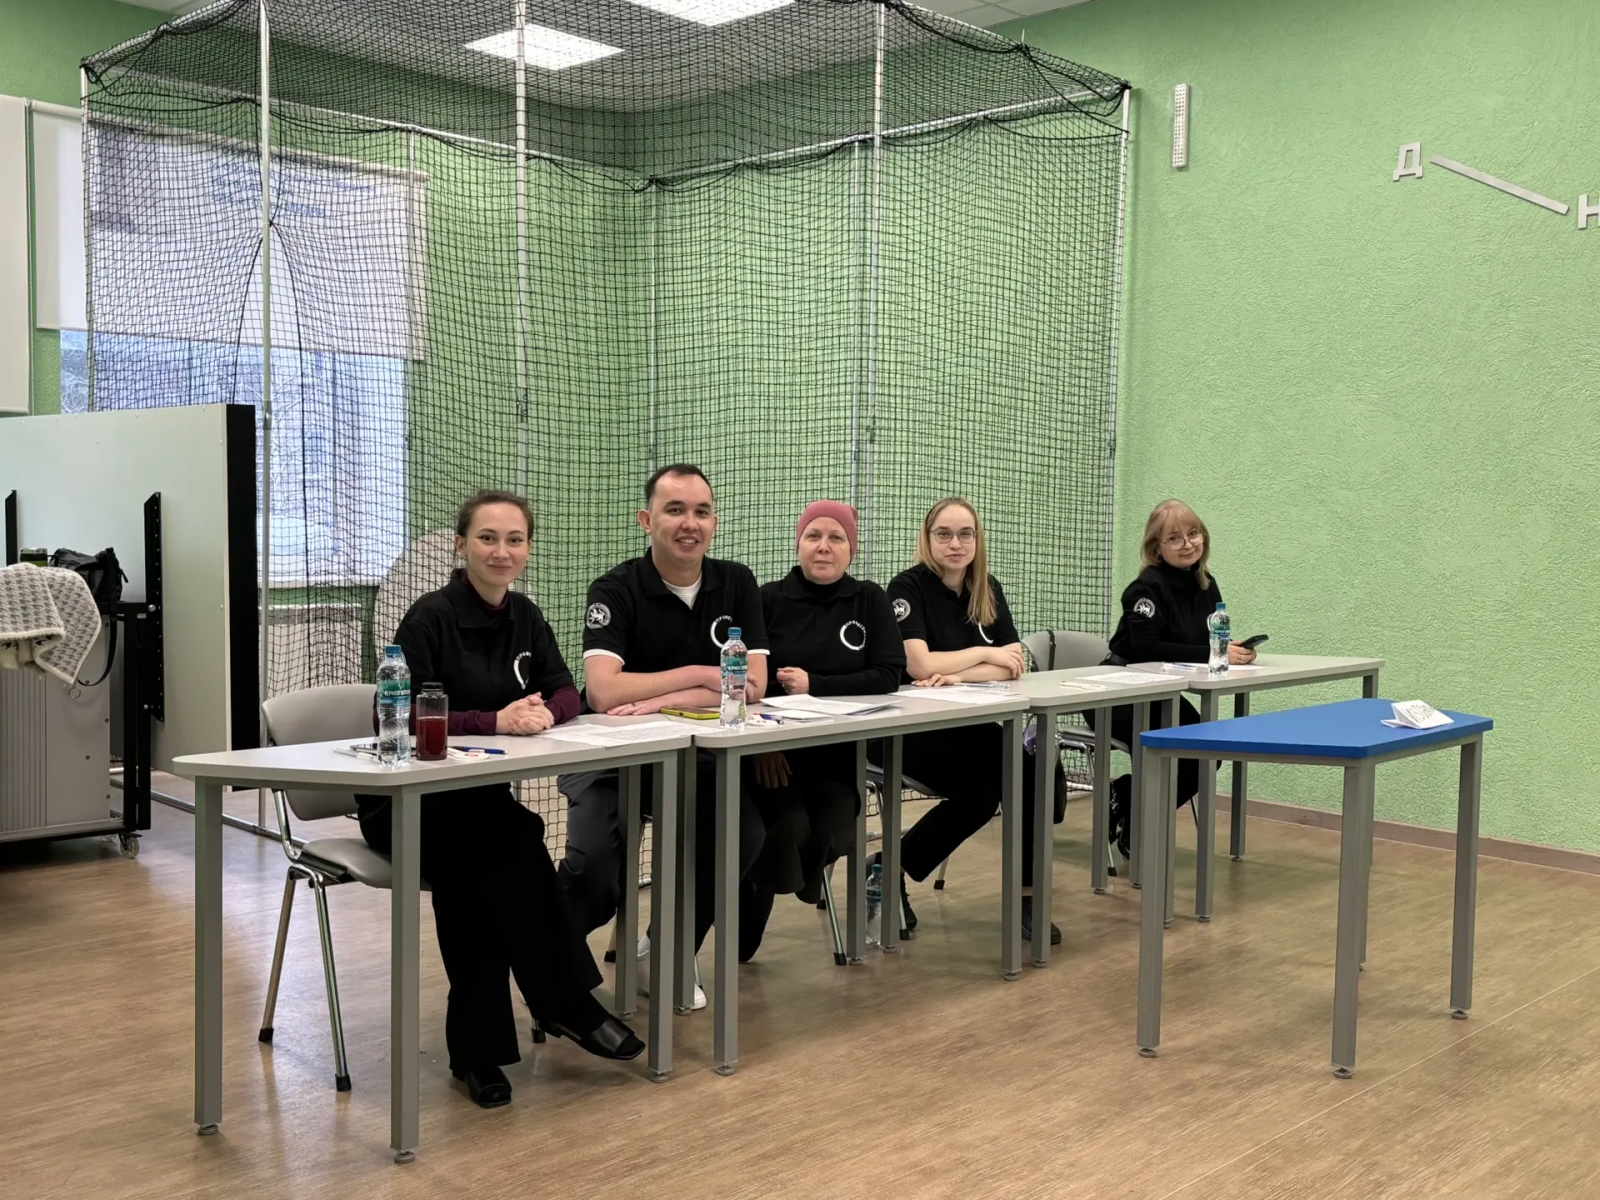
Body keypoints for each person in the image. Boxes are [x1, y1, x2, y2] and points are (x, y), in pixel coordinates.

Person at [356, 489, 644, 1111]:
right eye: (487, 538)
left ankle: (479, 1053)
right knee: (508, 840)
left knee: (491, 857)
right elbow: (393, 716)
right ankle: (565, 1003)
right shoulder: (428, 618)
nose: (501, 551)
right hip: (405, 806)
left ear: (528, 550)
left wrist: (543, 714)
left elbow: (565, 690)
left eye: (515, 540)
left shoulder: (526, 616)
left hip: (474, 804)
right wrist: (494, 722)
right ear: (462, 545)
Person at [557, 464, 769, 1010]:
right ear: (646, 520)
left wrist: (656, 698)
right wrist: (702, 675)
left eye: (701, 511)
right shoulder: (614, 588)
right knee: (595, 871)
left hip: (692, 761)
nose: (689, 523)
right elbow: (604, 691)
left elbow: (752, 686)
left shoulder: (737, 582)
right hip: (609, 757)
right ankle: (550, 967)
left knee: (741, 833)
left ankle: (664, 950)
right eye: (674, 510)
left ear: (714, 522)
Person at [883, 496, 1066, 946]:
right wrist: (985, 653)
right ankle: (889, 868)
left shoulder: (987, 588)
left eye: (965, 534)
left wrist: (958, 674)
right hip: (914, 728)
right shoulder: (906, 588)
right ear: (927, 539)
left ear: (977, 539)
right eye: (944, 534)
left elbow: (1015, 662)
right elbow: (920, 665)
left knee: (1030, 773)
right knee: (980, 795)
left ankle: (1027, 897)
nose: (955, 543)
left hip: (970, 722)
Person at [740, 500, 905, 960]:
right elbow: (747, 683)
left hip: (837, 758)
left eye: (836, 538)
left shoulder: (868, 599)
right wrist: (763, 745)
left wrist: (817, 685)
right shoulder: (767, 599)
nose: (824, 547)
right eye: (813, 536)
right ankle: (749, 908)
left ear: (851, 548)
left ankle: (803, 883)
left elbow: (888, 673)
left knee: (837, 826)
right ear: (798, 544)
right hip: (775, 759)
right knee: (788, 826)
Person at [1092, 498, 1257, 861]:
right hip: (1116, 691)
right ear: (1157, 548)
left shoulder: (1206, 584)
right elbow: (1147, 648)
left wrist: (1231, 649)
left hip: (1160, 693)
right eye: (1175, 538)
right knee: (1170, 752)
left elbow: (1202, 639)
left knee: (1207, 754)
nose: (1187, 544)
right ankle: (1139, 824)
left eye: (1193, 533)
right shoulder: (1144, 589)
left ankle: (1128, 801)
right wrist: (1213, 652)